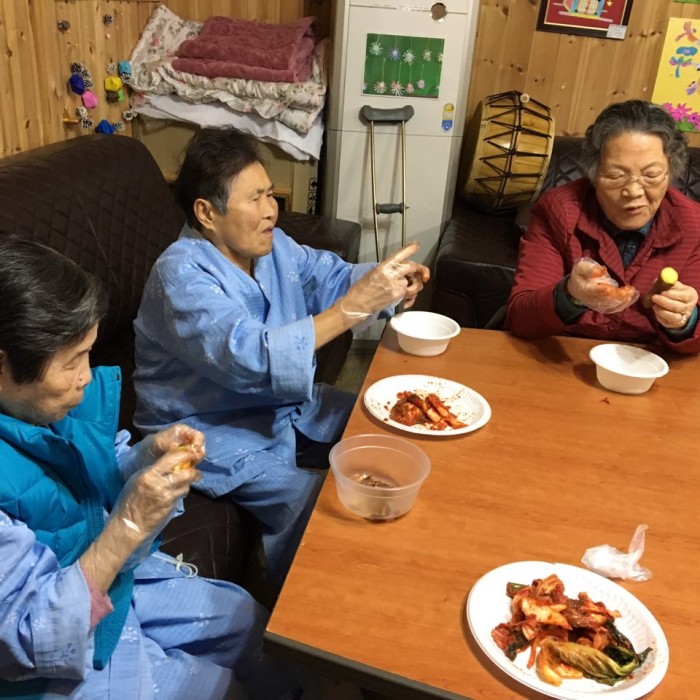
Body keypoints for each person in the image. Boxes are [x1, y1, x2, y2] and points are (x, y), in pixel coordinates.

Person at [0, 237, 300, 699]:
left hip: (110, 571)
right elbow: (30, 634)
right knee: (221, 691)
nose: (86, 376)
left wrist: (145, 456)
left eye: (89, 354)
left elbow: (95, 469)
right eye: (72, 361)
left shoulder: (45, 403)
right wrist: (132, 521)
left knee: (255, 627)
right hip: (53, 644)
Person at [133, 128, 430, 588]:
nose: (271, 209)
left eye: (270, 193)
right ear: (207, 213)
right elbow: (250, 355)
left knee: (385, 421)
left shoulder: (270, 246)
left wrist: (383, 280)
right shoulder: (180, 275)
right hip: (209, 429)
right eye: (254, 198)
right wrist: (353, 307)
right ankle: (307, 611)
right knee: (317, 504)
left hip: (282, 405)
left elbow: (329, 276)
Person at [506, 99, 700, 353]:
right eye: (616, 175)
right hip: (563, 358)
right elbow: (520, 319)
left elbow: (694, 339)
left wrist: (684, 321)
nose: (633, 191)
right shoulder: (559, 210)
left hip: (646, 366)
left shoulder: (693, 223)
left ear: (670, 171)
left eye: (651, 175)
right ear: (594, 173)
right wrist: (570, 294)